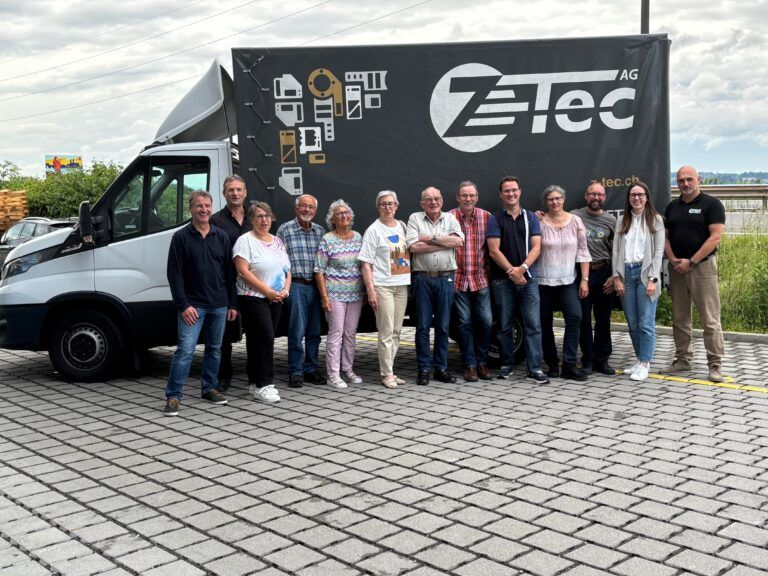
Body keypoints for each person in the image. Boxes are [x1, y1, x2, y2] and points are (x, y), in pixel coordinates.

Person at [163, 190, 237, 416]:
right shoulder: (181, 237)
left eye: (207, 206)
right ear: (191, 208)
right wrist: (183, 305)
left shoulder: (221, 236)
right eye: (199, 206)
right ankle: (173, 396)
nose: (204, 210)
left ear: (211, 208)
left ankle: (209, 388)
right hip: (193, 306)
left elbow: (229, 273)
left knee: (214, 349)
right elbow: (174, 275)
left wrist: (232, 304)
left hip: (219, 304)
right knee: (185, 351)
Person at [663, 165, 726, 382]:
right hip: (677, 268)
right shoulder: (672, 207)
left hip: (702, 268)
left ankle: (715, 363)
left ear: (699, 179)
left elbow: (715, 237)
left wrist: (691, 262)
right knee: (680, 318)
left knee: (710, 319)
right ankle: (682, 359)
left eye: (689, 179)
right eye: (681, 180)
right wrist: (672, 259)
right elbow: (665, 237)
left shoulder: (712, 205)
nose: (685, 184)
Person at [487, 176, 549, 384]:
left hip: (528, 279)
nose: (511, 193)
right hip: (502, 281)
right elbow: (494, 250)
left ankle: (535, 369)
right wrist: (512, 272)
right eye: (506, 191)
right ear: (501, 194)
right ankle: (507, 366)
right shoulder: (495, 219)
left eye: (514, 190)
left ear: (520, 192)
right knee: (504, 325)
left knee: (533, 325)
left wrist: (522, 269)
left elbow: (537, 247)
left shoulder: (531, 217)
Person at [407, 187, 464, 386]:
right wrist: (444, 241)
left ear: (442, 201)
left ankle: (441, 368)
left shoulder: (450, 218)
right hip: (422, 279)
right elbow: (414, 247)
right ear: (422, 203)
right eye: (428, 199)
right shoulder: (415, 218)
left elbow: (458, 241)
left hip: (445, 279)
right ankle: (423, 369)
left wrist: (429, 238)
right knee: (422, 327)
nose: (433, 202)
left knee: (443, 326)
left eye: (437, 198)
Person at [233, 202, 290, 402]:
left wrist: (285, 290)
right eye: (259, 216)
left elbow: (287, 269)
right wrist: (267, 291)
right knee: (265, 339)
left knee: (259, 340)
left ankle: (254, 382)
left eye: (267, 216)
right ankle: (264, 384)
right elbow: (242, 271)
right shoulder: (245, 241)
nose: (264, 220)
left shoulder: (278, 241)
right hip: (253, 298)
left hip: (276, 299)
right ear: (251, 219)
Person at [538, 185, 591, 381]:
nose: (555, 202)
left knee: (575, 318)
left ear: (563, 200)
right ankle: (552, 364)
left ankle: (569, 365)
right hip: (543, 282)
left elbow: (583, 252)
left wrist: (584, 280)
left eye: (558, 198)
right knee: (545, 323)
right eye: (551, 199)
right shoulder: (539, 222)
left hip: (568, 281)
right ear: (546, 202)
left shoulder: (575, 221)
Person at [612, 182, 665, 381]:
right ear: (628, 198)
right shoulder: (622, 221)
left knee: (646, 323)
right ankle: (640, 359)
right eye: (633, 195)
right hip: (626, 273)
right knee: (633, 323)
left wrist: (653, 279)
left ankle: (645, 363)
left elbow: (658, 252)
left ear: (647, 197)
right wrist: (616, 277)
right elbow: (615, 250)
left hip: (645, 274)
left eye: (640, 194)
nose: (637, 198)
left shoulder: (655, 220)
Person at [359, 191, 412, 388]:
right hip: (383, 286)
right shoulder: (373, 230)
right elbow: (366, 263)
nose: (387, 207)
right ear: (378, 207)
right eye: (383, 204)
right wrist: (371, 290)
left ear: (396, 206)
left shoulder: (402, 226)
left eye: (391, 204)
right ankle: (386, 374)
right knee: (386, 331)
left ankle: (391, 369)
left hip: (401, 285)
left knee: (396, 331)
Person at [277, 195, 326, 388]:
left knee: (315, 331)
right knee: (296, 331)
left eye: (311, 207)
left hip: (317, 285)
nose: (307, 210)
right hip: (296, 286)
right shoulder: (285, 230)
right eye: (303, 206)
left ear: (315, 210)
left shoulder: (320, 231)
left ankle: (311, 369)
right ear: (296, 209)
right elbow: (278, 260)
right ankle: (295, 371)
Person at [315, 200, 365, 388]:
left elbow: (364, 265)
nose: (344, 216)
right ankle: (333, 374)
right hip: (334, 294)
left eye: (346, 212)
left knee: (350, 333)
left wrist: (366, 291)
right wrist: (324, 298)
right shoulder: (327, 239)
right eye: (339, 213)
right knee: (336, 333)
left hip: (356, 294)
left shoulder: (358, 237)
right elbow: (319, 270)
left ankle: (348, 369)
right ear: (332, 220)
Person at [210, 175, 252, 393]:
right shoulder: (215, 221)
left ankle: (255, 376)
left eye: (238, 190)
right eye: (231, 190)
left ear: (245, 193)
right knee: (224, 334)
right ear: (224, 193)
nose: (235, 193)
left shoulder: (255, 217)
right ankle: (224, 376)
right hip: (226, 284)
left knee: (255, 331)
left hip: (253, 284)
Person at [571, 181, 618, 375]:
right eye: (592, 194)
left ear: (604, 197)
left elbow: (617, 251)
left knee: (603, 319)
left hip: (604, 273)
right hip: (582, 273)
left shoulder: (611, 221)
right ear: (586, 196)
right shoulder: (574, 216)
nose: (596, 198)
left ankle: (602, 360)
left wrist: (614, 276)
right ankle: (587, 360)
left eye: (600, 194)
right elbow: (554, 218)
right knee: (583, 319)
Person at [449, 181, 493, 382]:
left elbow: (493, 248)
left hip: (480, 279)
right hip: (458, 280)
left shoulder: (487, 217)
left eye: (471, 195)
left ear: (477, 197)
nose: (468, 199)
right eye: (464, 195)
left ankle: (482, 362)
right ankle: (470, 365)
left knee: (486, 322)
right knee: (464, 323)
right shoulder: (448, 218)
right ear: (458, 198)